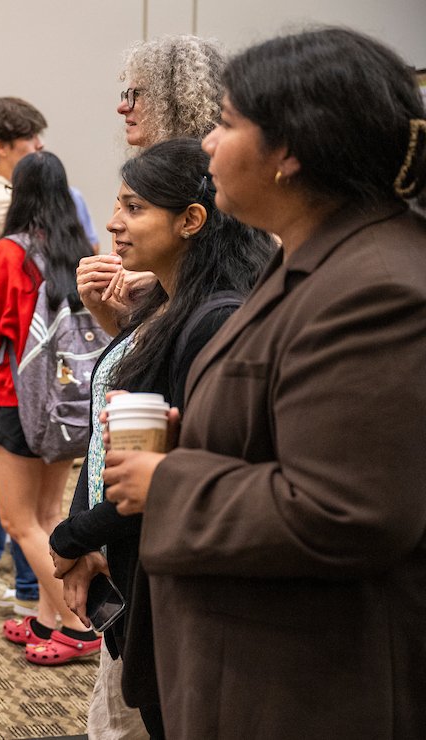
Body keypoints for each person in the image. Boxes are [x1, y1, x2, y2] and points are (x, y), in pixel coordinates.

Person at [102, 28, 426, 737]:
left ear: (288, 153)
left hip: (311, 684)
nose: (208, 145)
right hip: (253, 661)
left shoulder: (375, 286)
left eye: (224, 124)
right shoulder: (316, 258)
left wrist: (168, 481)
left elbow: (348, 508)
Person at [49, 138, 273, 736]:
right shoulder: (171, 304)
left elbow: (173, 470)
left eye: (134, 207)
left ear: (191, 220)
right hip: (135, 560)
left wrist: (75, 536)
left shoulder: (215, 318)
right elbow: (116, 438)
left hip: (173, 573)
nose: (115, 224)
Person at [0, 151, 99, 666]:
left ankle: (78, 624)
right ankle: (47, 616)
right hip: (67, 402)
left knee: (19, 521)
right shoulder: (80, 249)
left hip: (15, 398)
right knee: (47, 514)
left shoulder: (10, 252)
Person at [80, 35, 226, 337]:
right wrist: (101, 304)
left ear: (174, 100)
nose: (123, 107)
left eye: (136, 95)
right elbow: (132, 338)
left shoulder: (229, 184)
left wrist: (166, 279)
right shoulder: (135, 182)